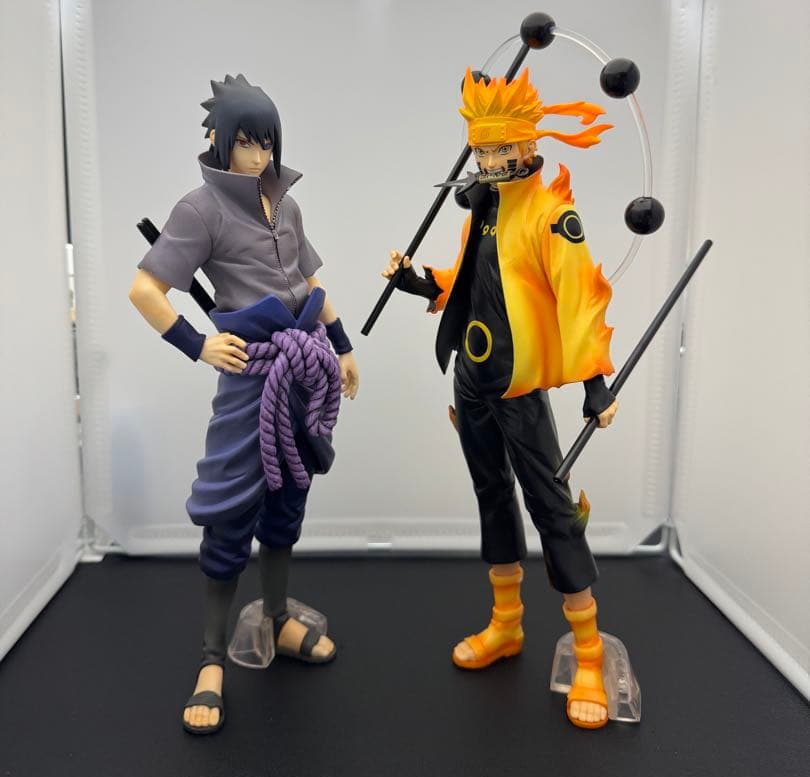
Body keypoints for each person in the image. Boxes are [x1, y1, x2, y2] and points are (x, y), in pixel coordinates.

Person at [383, 67, 617, 729]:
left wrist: (594, 382)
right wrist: (419, 280)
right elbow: (469, 281)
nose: (489, 161)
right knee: (491, 495)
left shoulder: (551, 215)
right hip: (472, 377)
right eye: (481, 150)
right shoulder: (483, 210)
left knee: (553, 508)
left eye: (499, 149)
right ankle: (506, 623)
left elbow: (578, 298)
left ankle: (590, 653)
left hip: (519, 384)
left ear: (528, 144)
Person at [129, 74, 359, 735]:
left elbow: (311, 282)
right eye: (247, 144)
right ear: (220, 141)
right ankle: (211, 658)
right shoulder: (199, 210)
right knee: (230, 510)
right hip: (250, 376)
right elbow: (144, 289)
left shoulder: (285, 204)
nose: (259, 157)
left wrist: (341, 345)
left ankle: (279, 617)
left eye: (267, 144)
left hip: (303, 368)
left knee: (289, 498)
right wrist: (199, 344)